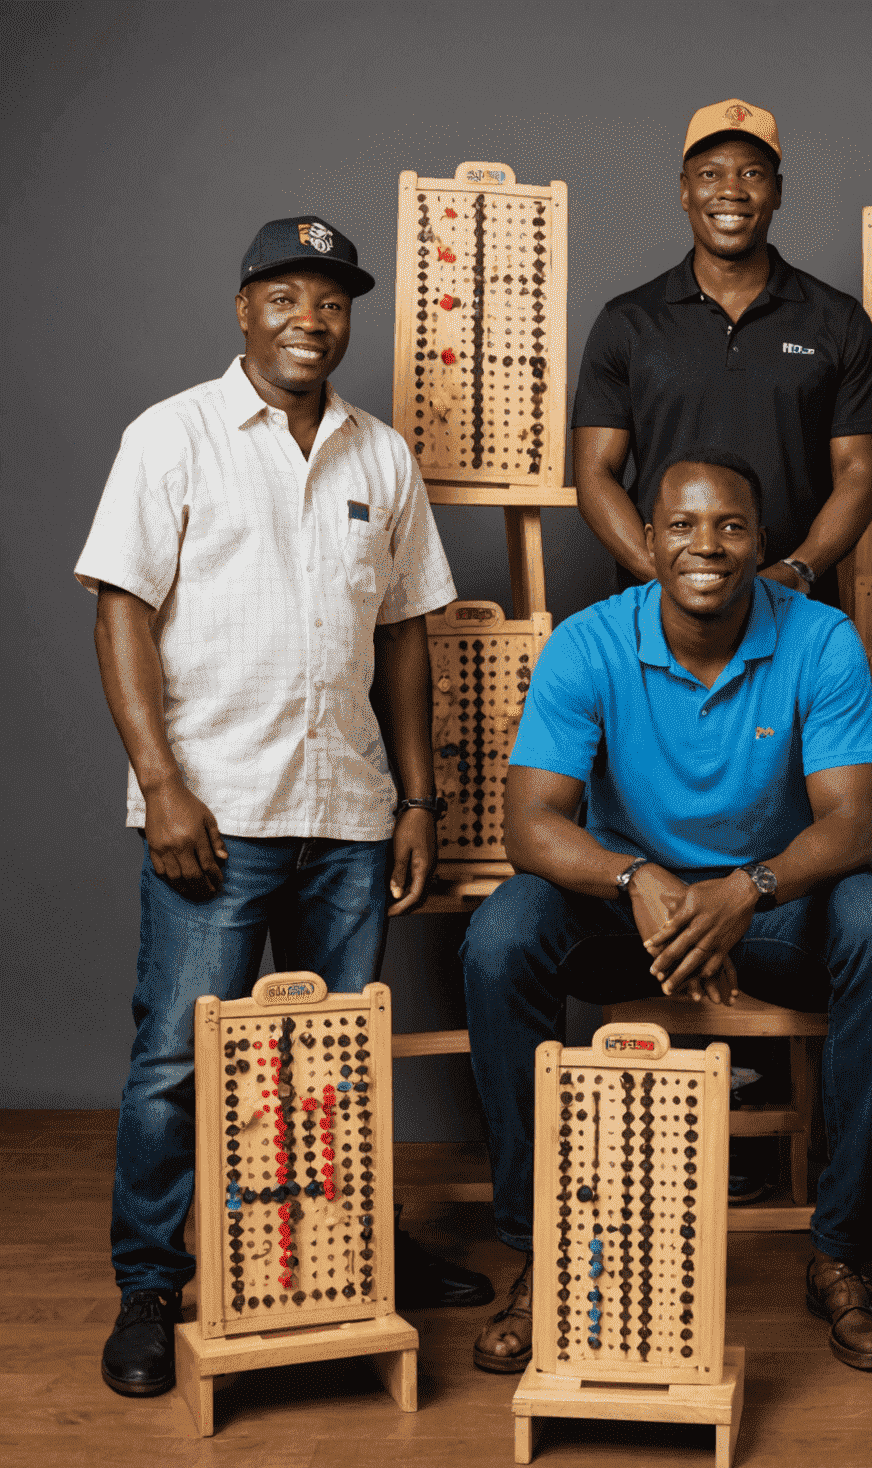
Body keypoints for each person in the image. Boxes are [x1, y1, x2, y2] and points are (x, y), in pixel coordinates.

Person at [77, 216, 491, 1400]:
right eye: (287, 298)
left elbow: (408, 636)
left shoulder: (383, 456)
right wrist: (161, 785)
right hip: (215, 808)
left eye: (333, 302)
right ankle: (151, 1284)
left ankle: (359, 1254)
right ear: (243, 308)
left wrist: (416, 798)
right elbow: (118, 610)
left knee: (335, 1058)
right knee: (173, 1063)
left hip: (349, 812)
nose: (313, 321)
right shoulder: (173, 437)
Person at [461, 448, 872, 1374]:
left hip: (773, 911)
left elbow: (855, 825)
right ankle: (536, 1253)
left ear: (761, 543)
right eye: (680, 525)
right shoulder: (590, 642)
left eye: (729, 525)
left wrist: (742, 893)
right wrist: (638, 882)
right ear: (646, 538)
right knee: (502, 936)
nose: (704, 545)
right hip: (626, 915)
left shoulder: (821, 637)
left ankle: (839, 1251)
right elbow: (529, 824)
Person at [572, 98, 872, 601]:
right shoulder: (627, 322)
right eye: (709, 173)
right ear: (684, 191)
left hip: (793, 608)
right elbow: (594, 472)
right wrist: (664, 578)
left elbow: (859, 472)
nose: (730, 190)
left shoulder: (838, 320)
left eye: (752, 173)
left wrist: (796, 572)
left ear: (778, 192)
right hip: (657, 608)